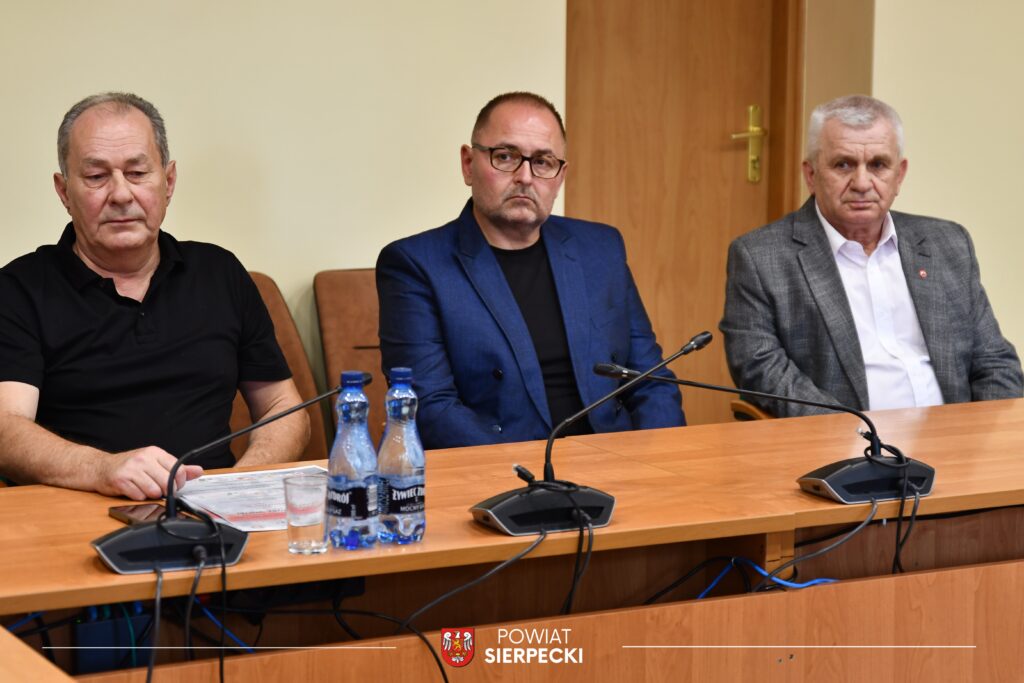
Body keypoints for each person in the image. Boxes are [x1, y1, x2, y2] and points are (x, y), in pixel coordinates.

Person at [0, 92, 309, 500]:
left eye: (137, 172)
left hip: (214, 510)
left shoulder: (220, 273)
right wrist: (103, 470)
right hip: (81, 510)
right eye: (96, 176)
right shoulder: (19, 289)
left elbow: (282, 408)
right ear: (64, 192)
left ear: (168, 182)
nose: (121, 194)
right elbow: (6, 427)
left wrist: (238, 486)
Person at [377, 92, 684, 449]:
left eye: (542, 162)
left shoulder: (601, 249)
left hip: (612, 462)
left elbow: (651, 381)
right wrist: (531, 474)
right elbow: (431, 407)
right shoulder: (415, 264)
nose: (525, 177)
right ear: (468, 164)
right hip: (499, 468)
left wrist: (658, 460)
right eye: (505, 157)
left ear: (560, 175)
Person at [721, 94, 1022, 417]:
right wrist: (857, 435)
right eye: (843, 165)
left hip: (956, 438)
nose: (862, 183)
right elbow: (761, 370)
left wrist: (985, 432)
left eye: (878, 165)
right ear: (811, 175)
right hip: (847, 440)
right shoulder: (760, 257)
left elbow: (994, 361)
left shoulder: (947, 244)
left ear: (899, 175)